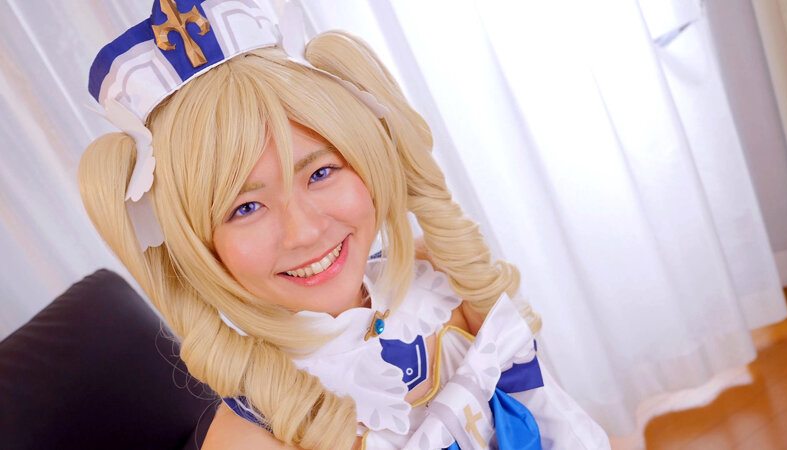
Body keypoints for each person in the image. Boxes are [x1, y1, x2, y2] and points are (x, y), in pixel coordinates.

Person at [78, 1, 610, 448]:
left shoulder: (438, 281)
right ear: (200, 245)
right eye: (246, 208)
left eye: (320, 173)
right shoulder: (247, 437)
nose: (304, 232)